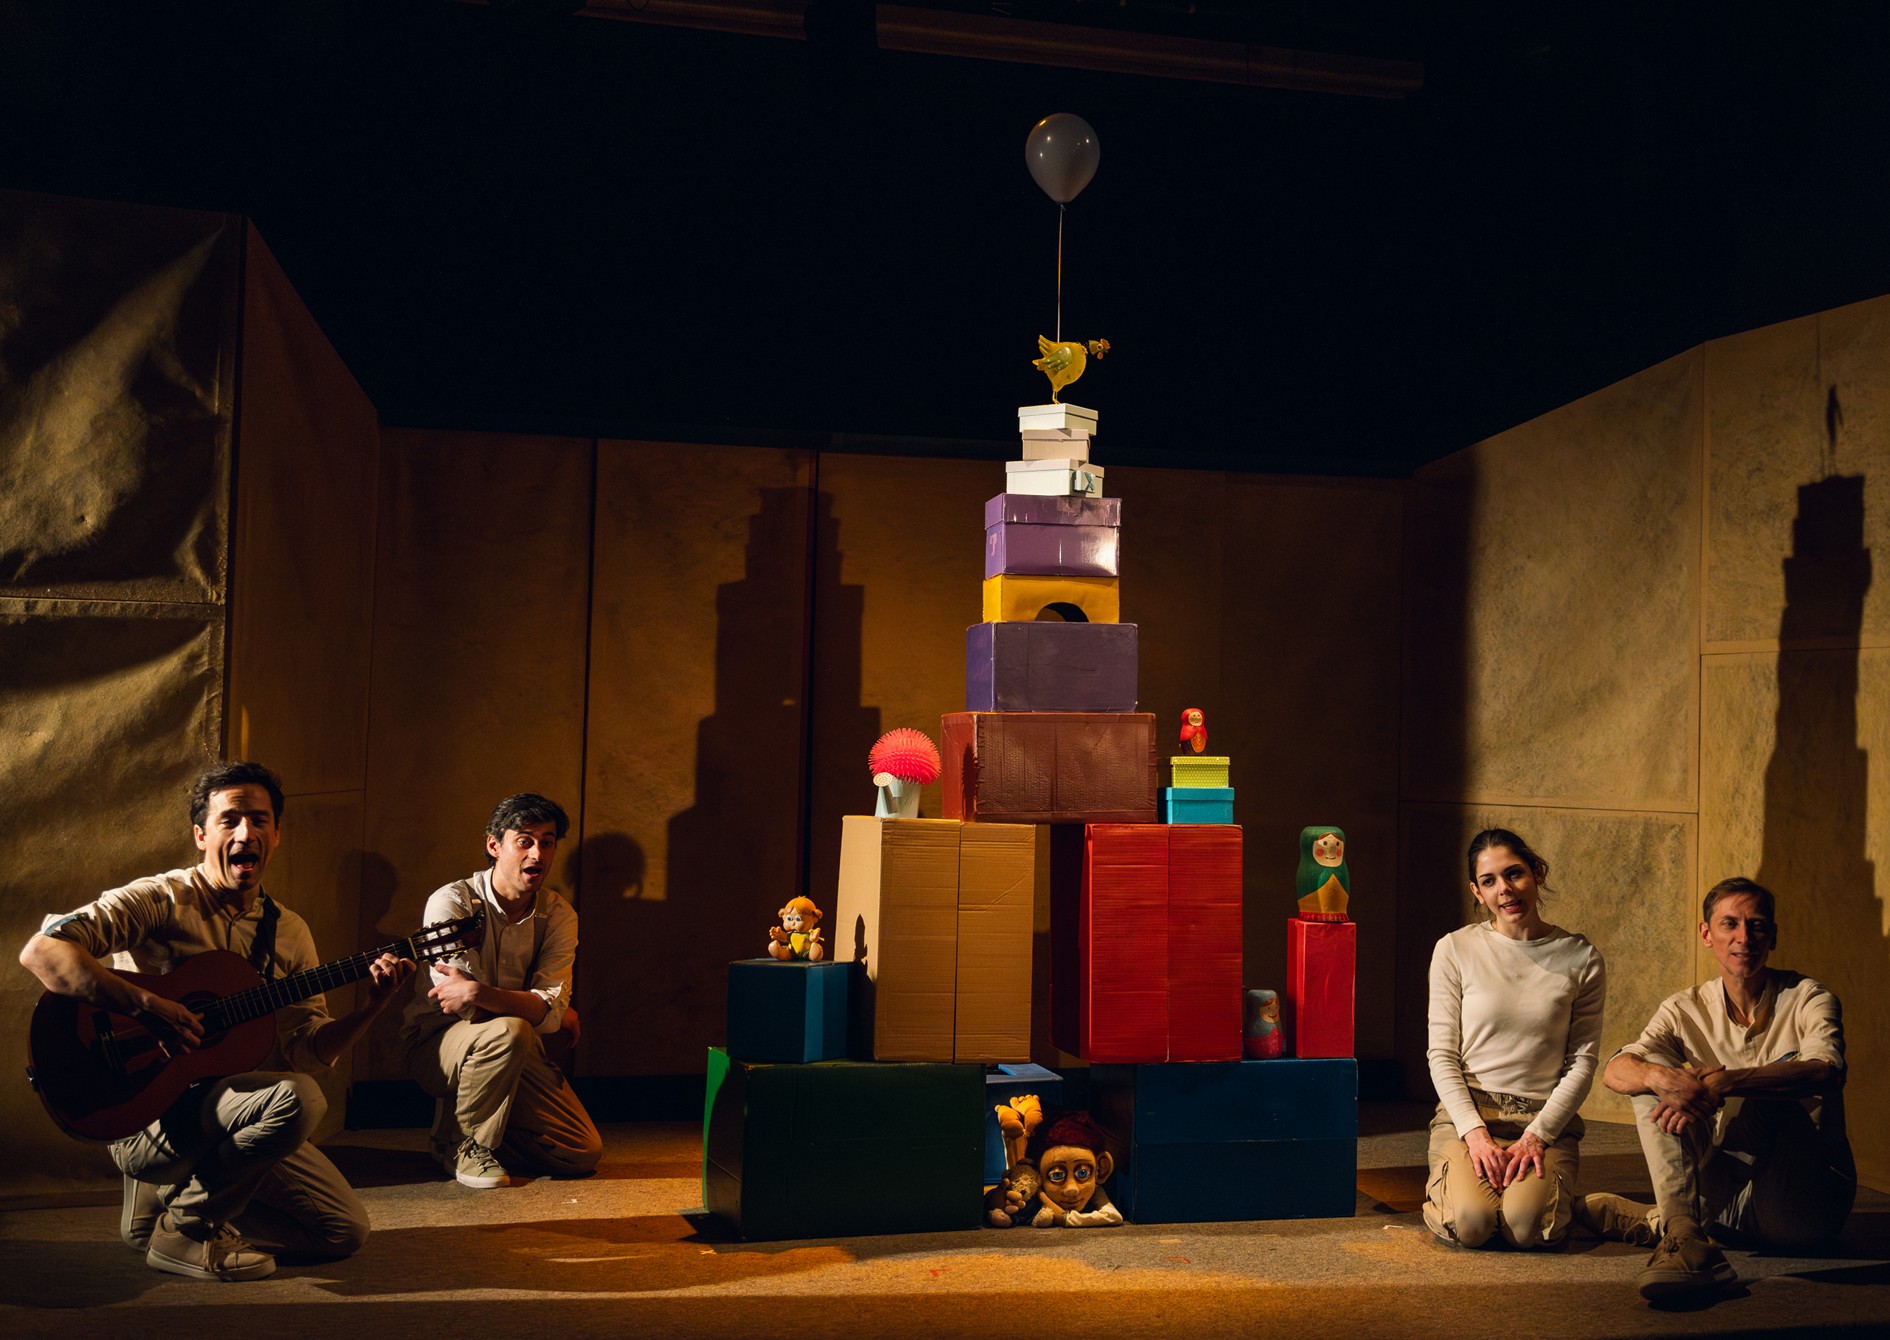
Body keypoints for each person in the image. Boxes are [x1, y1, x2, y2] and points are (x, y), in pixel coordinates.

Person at [18, 762, 414, 1282]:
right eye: (230, 820)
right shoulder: (160, 899)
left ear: (277, 834)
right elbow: (43, 951)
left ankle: (172, 1201)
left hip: (230, 1110)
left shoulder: (289, 931)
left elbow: (306, 1048)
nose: (245, 833)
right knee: (300, 1099)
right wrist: (146, 1005)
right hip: (144, 1111)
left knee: (342, 1233)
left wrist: (371, 1007)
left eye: (259, 820)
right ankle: (187, 1226)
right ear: (201, 835)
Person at [1580, 877, 1854, 1301]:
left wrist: (1729, 1082)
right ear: (1707, 934)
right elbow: (1616, 1071)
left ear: (1773, 936)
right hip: (1729, 1200)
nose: (1744, 937)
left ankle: (1663, 1223)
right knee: (1655, 1081)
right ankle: (1684, 1234)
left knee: (1768, 1093)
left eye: (1757, 926)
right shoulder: (1683, 1007)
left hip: (1803, 1204)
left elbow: (1827, 1072)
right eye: (1730, 924)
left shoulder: (1809, 997)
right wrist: (1664, 1080)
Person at [398, 792, 602, 1188]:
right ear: (494, 845)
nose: (537, 854)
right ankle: (463, 1144)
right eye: (524, 841)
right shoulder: (452, 902)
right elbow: (461, 1006)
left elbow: (545, 1013)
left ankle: (480, 1129)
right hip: (435, 1044)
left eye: (547, 842)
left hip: (516, 1046)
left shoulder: (558, 915)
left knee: (580, 1151)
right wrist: (538, 1008)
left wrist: (481, 992)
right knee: (511, 1029)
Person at [1423, 828, 1606, 1249]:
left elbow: (1582, 1062)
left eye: (1514, 873)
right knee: (1472, 1225)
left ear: (1537, 872)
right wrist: (1474, 1134)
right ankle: (1460, 1189)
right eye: (1489, 881)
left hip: (1541, 1119)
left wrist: (1537, 1136)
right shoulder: (1455, 949)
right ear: (1477, 891)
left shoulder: (1581, 957)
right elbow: (1442, 1054)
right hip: (1470, 1113)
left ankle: (1563, 1203)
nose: (1504, 889)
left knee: (1526, 1229)